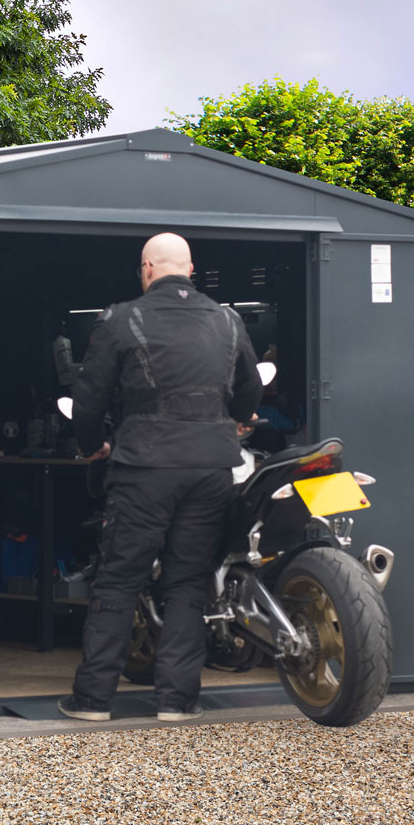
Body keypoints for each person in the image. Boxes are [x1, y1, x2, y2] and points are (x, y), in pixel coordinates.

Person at [58, 232, 263, 722]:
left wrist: (94, 447)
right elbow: (251, 389)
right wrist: (232, 420)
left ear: (147, 268)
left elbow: (87, 402)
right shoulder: (229, 320)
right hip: (212, 467)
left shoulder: (121, 319)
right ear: (189, 270)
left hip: (144, 468)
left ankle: (93, 701)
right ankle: (176, 701)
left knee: (120, 578)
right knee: (189, 582)